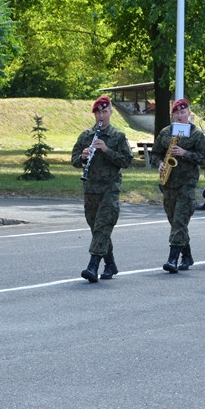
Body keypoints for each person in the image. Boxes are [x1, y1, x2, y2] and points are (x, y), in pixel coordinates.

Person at [71, 96, 134, 283]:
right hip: (90, 189)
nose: (101, 116)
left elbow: (127, 161)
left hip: (110, 189)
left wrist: (107, 150)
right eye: (98, 112)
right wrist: (83, 157)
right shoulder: (86, 135)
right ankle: (111, 264)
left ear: (111, 113)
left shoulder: (118, 136)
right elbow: (74, 160)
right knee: (97, 228)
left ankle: (93, 265)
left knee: (103, 226)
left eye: (104, 112)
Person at [152, 98, 205, 273]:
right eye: (176, 113)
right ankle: (187, 255)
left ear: (189, 114)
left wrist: (186, 153)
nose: (179, 116)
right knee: (174, 221)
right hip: (168, 184)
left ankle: (172, 259)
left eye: (182, 112)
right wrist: (160, 163)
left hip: (187, 185)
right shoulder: (165, 132)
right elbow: (155, 153)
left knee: (179, 221)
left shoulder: (196, 134)